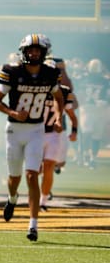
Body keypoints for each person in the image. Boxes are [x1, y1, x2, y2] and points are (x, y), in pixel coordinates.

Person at [0, 34, 64, 242]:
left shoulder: (50, 73)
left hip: (36, 130)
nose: (33, 53)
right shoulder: (12, 72)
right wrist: (12, 113)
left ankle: (33, 225)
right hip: (14, 130)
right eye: (30, 50)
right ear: (23, 52)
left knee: (32, 175)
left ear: (44, 53)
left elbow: (58, 98)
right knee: (14, 179)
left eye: (38, 51)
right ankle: (12, 198)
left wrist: (58, 117)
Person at [40, 82, 78, 211]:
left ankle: (43, 200)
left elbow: (72, 115)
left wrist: (74, 131)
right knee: (35, 169)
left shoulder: (64, 91)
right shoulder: (36, 86)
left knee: (49, 166)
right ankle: (40, 193)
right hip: (35, 133)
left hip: (54, 134)